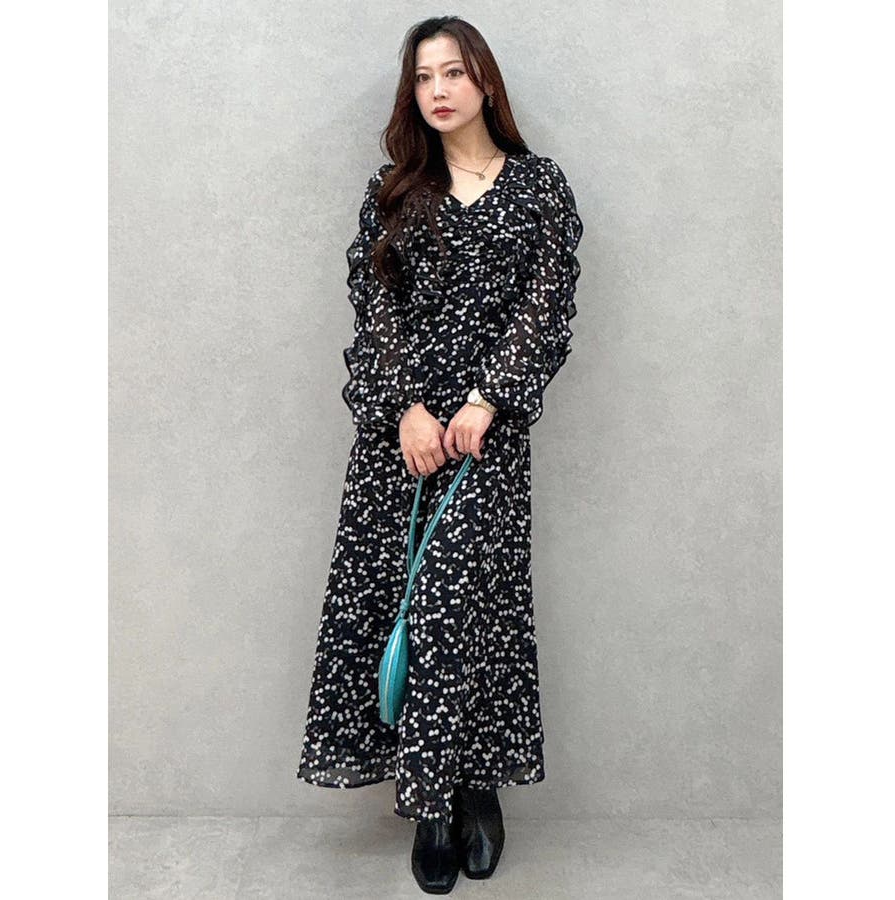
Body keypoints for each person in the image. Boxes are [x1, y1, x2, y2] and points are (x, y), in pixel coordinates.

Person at [296, 15, 583, 895]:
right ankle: (431, 806)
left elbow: (548, 303)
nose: (439, 90)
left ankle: (477, 786)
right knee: (409, 612)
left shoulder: (539, 188)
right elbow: (375, 312)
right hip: (403, 441)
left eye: (453, 72)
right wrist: (409, 412)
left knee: (474, 611)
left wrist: (486, 400)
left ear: (484, 81)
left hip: (487, 441)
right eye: (423, 78)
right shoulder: (395, 191)